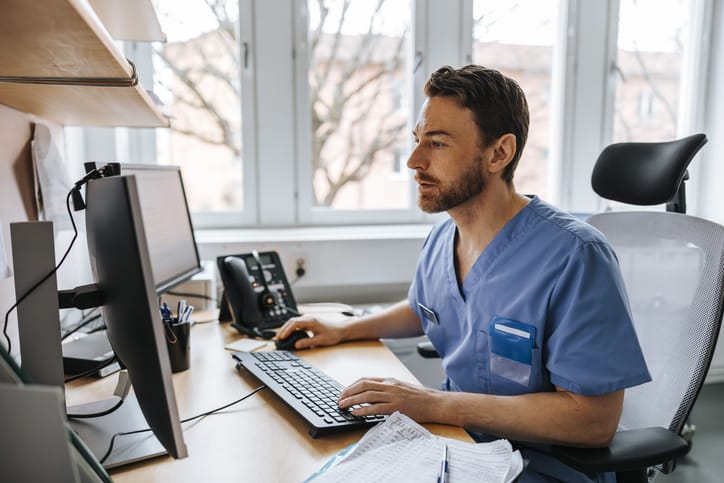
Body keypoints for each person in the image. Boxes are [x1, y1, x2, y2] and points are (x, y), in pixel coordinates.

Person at [277, 65, 651, 482]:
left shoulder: (576, 257)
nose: (414, 161)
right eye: (417, 141)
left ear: (499, 153)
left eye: (436, 144)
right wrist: (345, 329)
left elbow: (593, 421)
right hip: (455, 446)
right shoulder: (444, 237)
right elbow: (429, 308)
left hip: (541, 467)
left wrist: (432, 404)